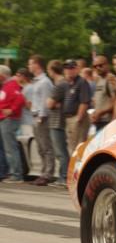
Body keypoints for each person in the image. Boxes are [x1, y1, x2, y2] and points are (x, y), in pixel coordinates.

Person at [27, 55, 55, 186]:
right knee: (40, 147)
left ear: (37, 65)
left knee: (46, 146)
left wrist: (41, 116)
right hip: (35, 116)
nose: (29, 66)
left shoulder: (45, 82)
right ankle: (43, 172)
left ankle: (48, 174)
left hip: (41, 118)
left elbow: (46, 100)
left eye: (31, 64)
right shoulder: (36, 81)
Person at [0, 66, 27, 182]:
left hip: (9, 119)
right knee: (8, 148)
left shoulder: (11, 85)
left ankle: (16, 174)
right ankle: (13, 173)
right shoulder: (8, 85)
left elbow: (20, 98)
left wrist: (12, 110)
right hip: (6, 119)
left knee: (10, 148)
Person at [45, 60, 69, 188]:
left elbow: (49, 104)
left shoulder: (59, 85)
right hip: (60, 120)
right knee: (62, 150)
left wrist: (50, 101)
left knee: (61, 151)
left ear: (52, 71)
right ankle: (63, 176)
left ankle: (64, 177)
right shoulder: (65, 83)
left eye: (48, 70)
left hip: (57, 121)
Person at [61, 60, 92, 153]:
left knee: (78, 147)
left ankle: (79, 167)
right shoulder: (68, 83)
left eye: (71, 68)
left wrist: (78, 118)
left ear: (77, 69)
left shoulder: (81, 82)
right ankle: (74, 167)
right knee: (72, 147)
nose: (69, 70)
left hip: (77, 118)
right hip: (69, 118)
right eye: (67, 68)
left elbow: (84, 102)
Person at [91, 55, 116, 131]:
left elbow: (115, 102)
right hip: (99, 120)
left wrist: (101, 112)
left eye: (100, 65)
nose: (97, 68)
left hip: (108, 121)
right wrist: (95, 113)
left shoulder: (110, 79)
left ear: (107, 65)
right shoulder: (98, 80)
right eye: (95, 66)